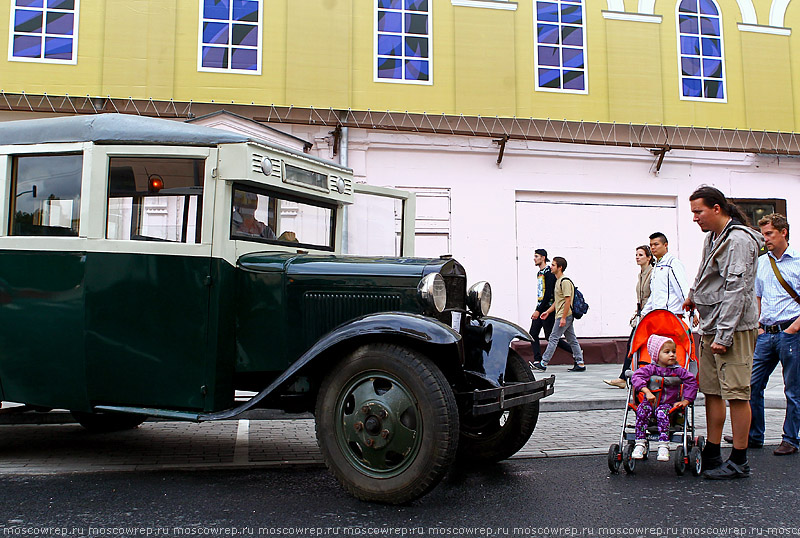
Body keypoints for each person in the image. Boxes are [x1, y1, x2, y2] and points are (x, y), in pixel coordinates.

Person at [682, 185, 763, 480]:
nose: (695, 218)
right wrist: (692, 294)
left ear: (717, 209)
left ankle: (739, 459)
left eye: (698, 211)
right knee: (712, 392)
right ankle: (713, 452)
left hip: (733, 329)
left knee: (737, 394)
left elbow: (737, 290)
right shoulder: (713, 237)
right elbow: (705, 271)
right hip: (710, 325)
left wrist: (724, 335)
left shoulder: (739, 240)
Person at [724, 213, 799, 456]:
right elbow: (757, 296)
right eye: (763, 234)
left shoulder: (797, 261)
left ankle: (790, 438)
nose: (765, 238)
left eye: (769, 234)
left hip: (791, 332)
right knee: (751, 385)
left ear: (783, 232)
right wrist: (756, 326)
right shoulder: (762, 262)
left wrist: (794, 327)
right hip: (766, 332)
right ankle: (754, 435)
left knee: (793, 389)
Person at [631, 334, 699, 461]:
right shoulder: (650, 369)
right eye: (667, 352)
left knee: (662, 413)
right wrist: (646, 391)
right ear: (657, 355)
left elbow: (691, 381)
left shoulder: (678, 371)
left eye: (674, 351)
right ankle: (640, 442)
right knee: (641, 410)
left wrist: (686, 400)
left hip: (668, 404)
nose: (672, 354)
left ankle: (663, 444)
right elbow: (636, 377)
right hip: (650, 402)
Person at [604, 244, 655, 389]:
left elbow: (652, 297)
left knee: (634, 345)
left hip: (649, 316)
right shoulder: (641, 274)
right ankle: (627, 377)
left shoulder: (653, 273)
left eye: (641, 255)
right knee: (633, 345)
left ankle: (628, 377)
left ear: (648, 257)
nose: (637, 257)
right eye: (636, 255)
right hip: (641, 315)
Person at [532, 256, 586, 372]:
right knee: (572, 339)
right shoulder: (558, 281)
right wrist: (547, 312)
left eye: (553, 265)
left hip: (564, 315)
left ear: (560, 267)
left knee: (553, 338)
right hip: (562, 315)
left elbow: (567, 300)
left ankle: (543, 362)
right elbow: (558, 301)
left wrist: (563, 318)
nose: (550, 267)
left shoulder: (564, 281)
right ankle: (580, 363)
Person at [529, 248, 572, 363]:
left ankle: (575, 351)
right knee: (533, 333)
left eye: (536, 256)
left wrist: (539, 310)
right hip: (540, 307)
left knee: (551, 337)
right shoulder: (540, 273)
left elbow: (548, 294)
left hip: (548, 309)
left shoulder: (549, 272)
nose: (534, 258)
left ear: (543, 258)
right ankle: (537, 360)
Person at [641, 232, 690, 317]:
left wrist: (690, 312)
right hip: (658, 316)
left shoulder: (672, 263)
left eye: (656, 244)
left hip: (671, 315)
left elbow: (682, 288)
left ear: (665, 245)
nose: (653, 247)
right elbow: (654, 294)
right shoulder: (656, 266)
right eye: (651, 245)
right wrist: (644, 313)